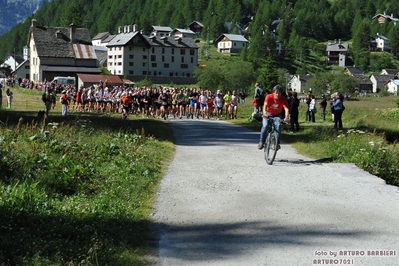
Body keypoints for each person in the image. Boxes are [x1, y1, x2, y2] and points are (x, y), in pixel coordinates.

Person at [258, 85, 290, 150]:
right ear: (273, 92)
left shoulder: (283, 99)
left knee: (278, 127)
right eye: (275, 92)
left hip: (277, 115)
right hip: (267, 114)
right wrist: (264, 113)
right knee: (265, 125)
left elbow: (286, 109)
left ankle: (277, 143)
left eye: (278, 93)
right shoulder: (269, 97)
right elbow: (265, 106)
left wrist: (286, 117)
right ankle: (261, 141)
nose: (277, 94)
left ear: (281, 93)